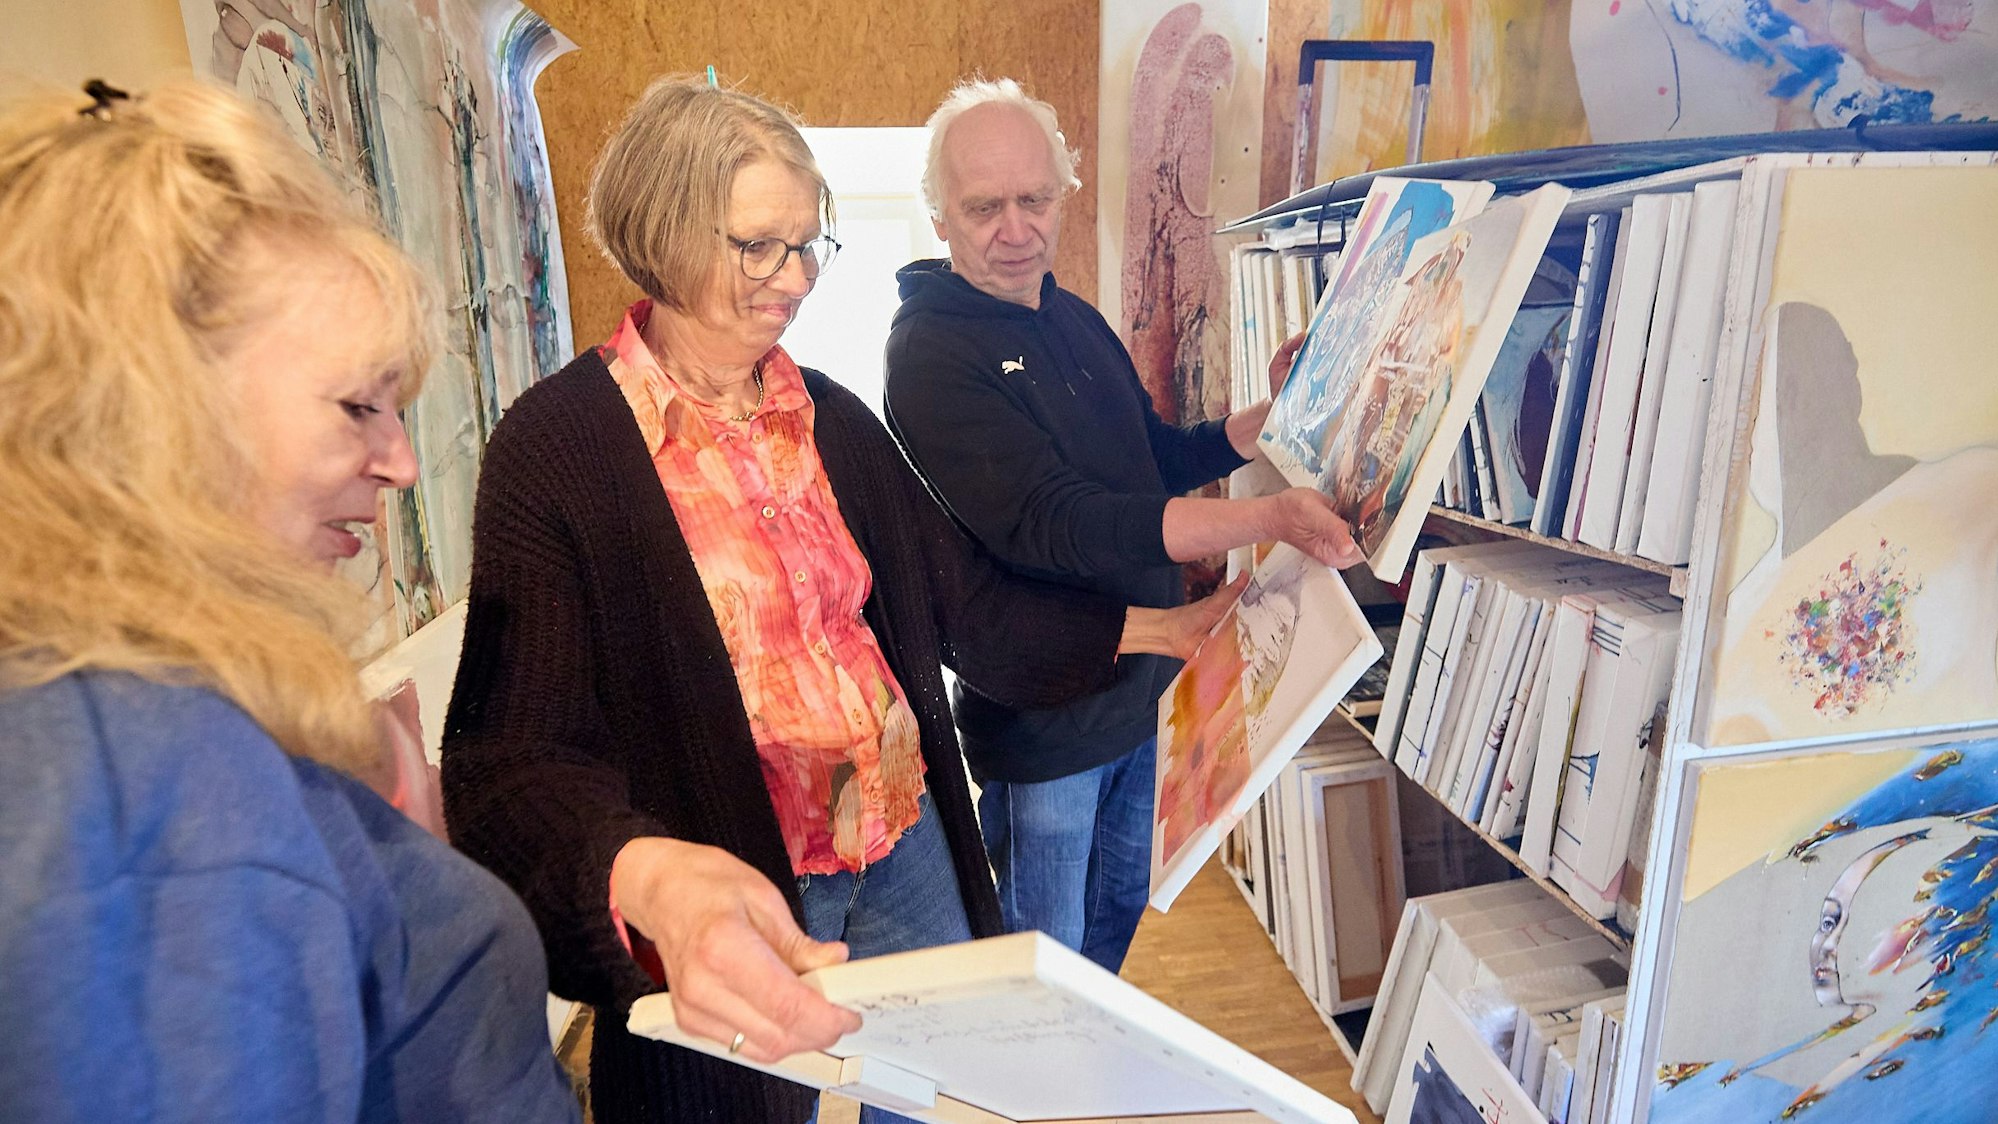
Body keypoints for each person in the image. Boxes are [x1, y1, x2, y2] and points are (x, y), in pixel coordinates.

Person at [438, 76, 1234, 1124]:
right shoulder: (559, 448)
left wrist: (1161, 629)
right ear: (662, 231)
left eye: (811, 245)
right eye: (758, 245)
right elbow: (508, 760)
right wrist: (645, 877)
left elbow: (969, 611)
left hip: (902, 841)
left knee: (944, 1091)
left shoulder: (837, 422)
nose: (796, 279)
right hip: (750, 884)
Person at [0, 80, 577, 1122]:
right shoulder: (153, 783)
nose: (401, 462)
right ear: (150, 399)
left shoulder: (123, 706)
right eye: (358, 405)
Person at [883, 78, 1363, 974]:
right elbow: (1058, 524)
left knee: (1108, 938)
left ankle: (1070, 1102)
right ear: (940, 217)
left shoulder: (1071, 316)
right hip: (1047, 729)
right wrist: (1262, 518)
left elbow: (1152, 452)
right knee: (1041, 966)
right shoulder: (928, 354)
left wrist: (1265, 422)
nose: (1016, 227)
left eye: (1035, 198)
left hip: (1144, 694)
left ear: (1063, 194)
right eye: (985, 206)